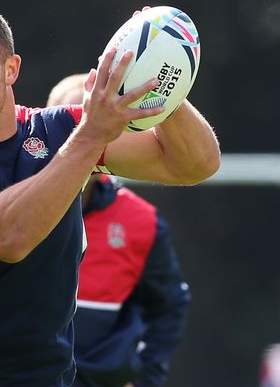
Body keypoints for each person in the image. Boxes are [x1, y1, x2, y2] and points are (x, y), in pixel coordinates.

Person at [0, 0, 219, 386]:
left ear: (11, 70)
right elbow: (6, 235)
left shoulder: (61, 131)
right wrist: (91, 135)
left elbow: (193, 164)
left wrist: (153, 75)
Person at [47, 74, 191, 387]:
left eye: (91, 126)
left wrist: (144, 377)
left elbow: (168, 308)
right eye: (69, 125)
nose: (82, 137)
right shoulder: (9, 202)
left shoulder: (142, 221)